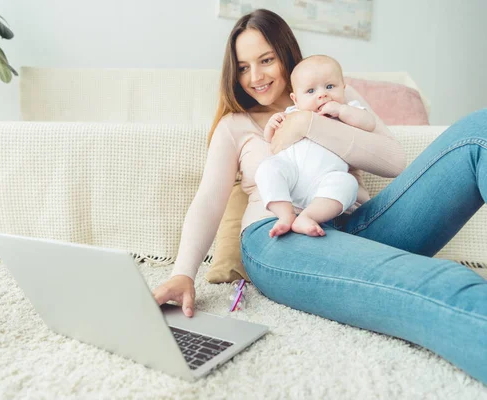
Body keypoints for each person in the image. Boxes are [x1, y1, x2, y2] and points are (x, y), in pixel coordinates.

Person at [152, 8, 487, 384]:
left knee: (480, 130)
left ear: (286, 53)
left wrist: (309, 122)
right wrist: (183, 273)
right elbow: (208, 201)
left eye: (266, 60)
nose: (256, 77)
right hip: (281, 238)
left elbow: (394, 162)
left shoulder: (336, 95)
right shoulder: (235, 126)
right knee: (437, 281)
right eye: (244, 67)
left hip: (362, 224)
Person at [256, 55, 377, 238]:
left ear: (343, 89)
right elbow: (272, 144)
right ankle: (285, 214)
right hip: (292, 176)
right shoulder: (293, 113)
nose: (322, 94)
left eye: (330, 87)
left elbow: (369, 123)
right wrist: (271, 127)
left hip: (325, 182)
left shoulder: (348, 110)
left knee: (347, 183)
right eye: (311, 91)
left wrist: (342, 110)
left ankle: (307, 217)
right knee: (267, 168)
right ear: (295, 99)